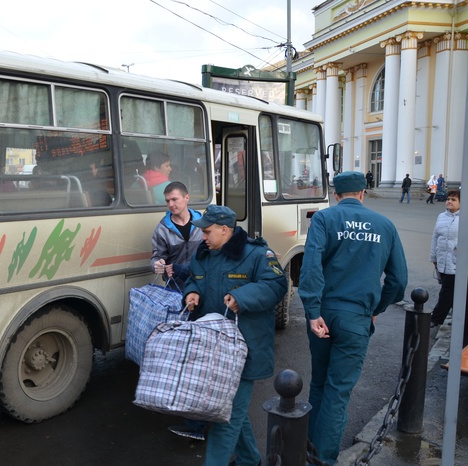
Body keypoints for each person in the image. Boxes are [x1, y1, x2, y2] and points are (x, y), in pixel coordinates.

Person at [299, 171, 408, 465]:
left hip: (323, 313)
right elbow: (398, 282)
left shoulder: (324, 219)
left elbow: (310, 268)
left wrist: (312, 312)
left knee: (319, 384)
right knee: (338, 392)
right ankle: (323, 459)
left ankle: (308, 448)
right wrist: (375, 310)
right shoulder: (385, 225)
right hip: (357, 317)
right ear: (363, 193)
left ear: (336, 195)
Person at [183, 205, 288, 466]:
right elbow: (192, 278)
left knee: (226, 415)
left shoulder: (256, 254)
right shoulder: (203, 253)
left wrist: (242, 297)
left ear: (224, 230)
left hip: (244, 348)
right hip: (211, 347)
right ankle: (250, 459)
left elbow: (276, 285)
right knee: (230, 410)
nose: (203, 237)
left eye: (207, 231)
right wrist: (192, 292)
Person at [150, 182, 205, 441]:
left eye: (174, 199)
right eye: (167, 201)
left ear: (186, 198)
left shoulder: (202, 221)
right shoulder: (163, 228)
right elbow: (156, 258)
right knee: (181, 346)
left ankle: (196, 414)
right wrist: (159, 265)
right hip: (177, 291)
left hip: (202, 289)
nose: (171, 205)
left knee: (195, 351)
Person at [429, 189, 460, 333]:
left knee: (447, 292)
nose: (449, 201)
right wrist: (433, 257)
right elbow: (435, 237)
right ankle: (457, 319)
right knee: (449, 291)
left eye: (453, 200)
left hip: (457, 263)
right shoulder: (441, 216)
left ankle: (436, 319)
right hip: (442, 260)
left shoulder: (463, 218)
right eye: (448, 199)